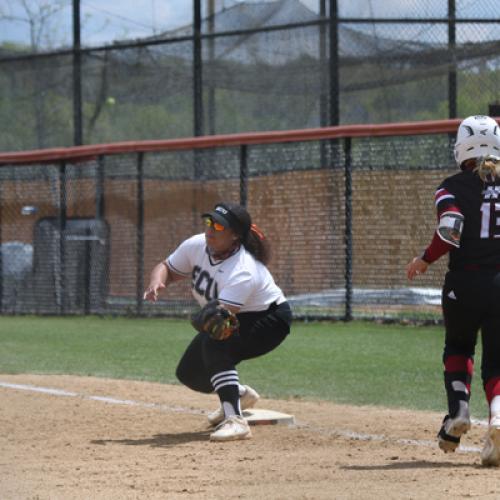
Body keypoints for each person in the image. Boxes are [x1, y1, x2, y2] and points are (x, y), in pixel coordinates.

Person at [143, 202, 292, 442]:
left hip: (269, 320)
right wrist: (156, 282)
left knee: (216, 344)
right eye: (209, 222)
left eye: (219, 226)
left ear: (235, 235)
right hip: (229, 314)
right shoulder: (197, 245)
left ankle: (235, 420)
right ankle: (240, 395)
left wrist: (203, 321)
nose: (210, 229)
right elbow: (166, 268)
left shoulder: (243, 269)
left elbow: (221, 322)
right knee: (189, 374)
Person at [407, 115, 500, 466]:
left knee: (459, 347)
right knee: (498, 363)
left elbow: (451, 229)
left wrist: (424, 259)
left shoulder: (451, 186)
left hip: (464, 283)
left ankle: (458, 412)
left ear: (461, 148)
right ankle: (498, 416)